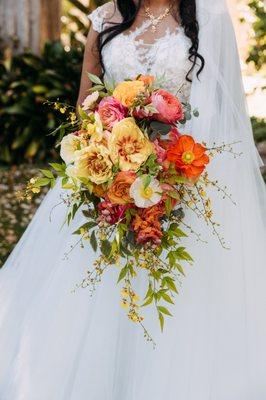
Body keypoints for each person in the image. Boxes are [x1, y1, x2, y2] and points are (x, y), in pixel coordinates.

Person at [1, 0, 266, 399]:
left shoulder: (210, 18)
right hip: (108, 181)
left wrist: (171, 174)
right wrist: (101, 166)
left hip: (184, 185)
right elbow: (85, 107)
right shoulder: (105, 18)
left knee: (176, 312)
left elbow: (222, 116)